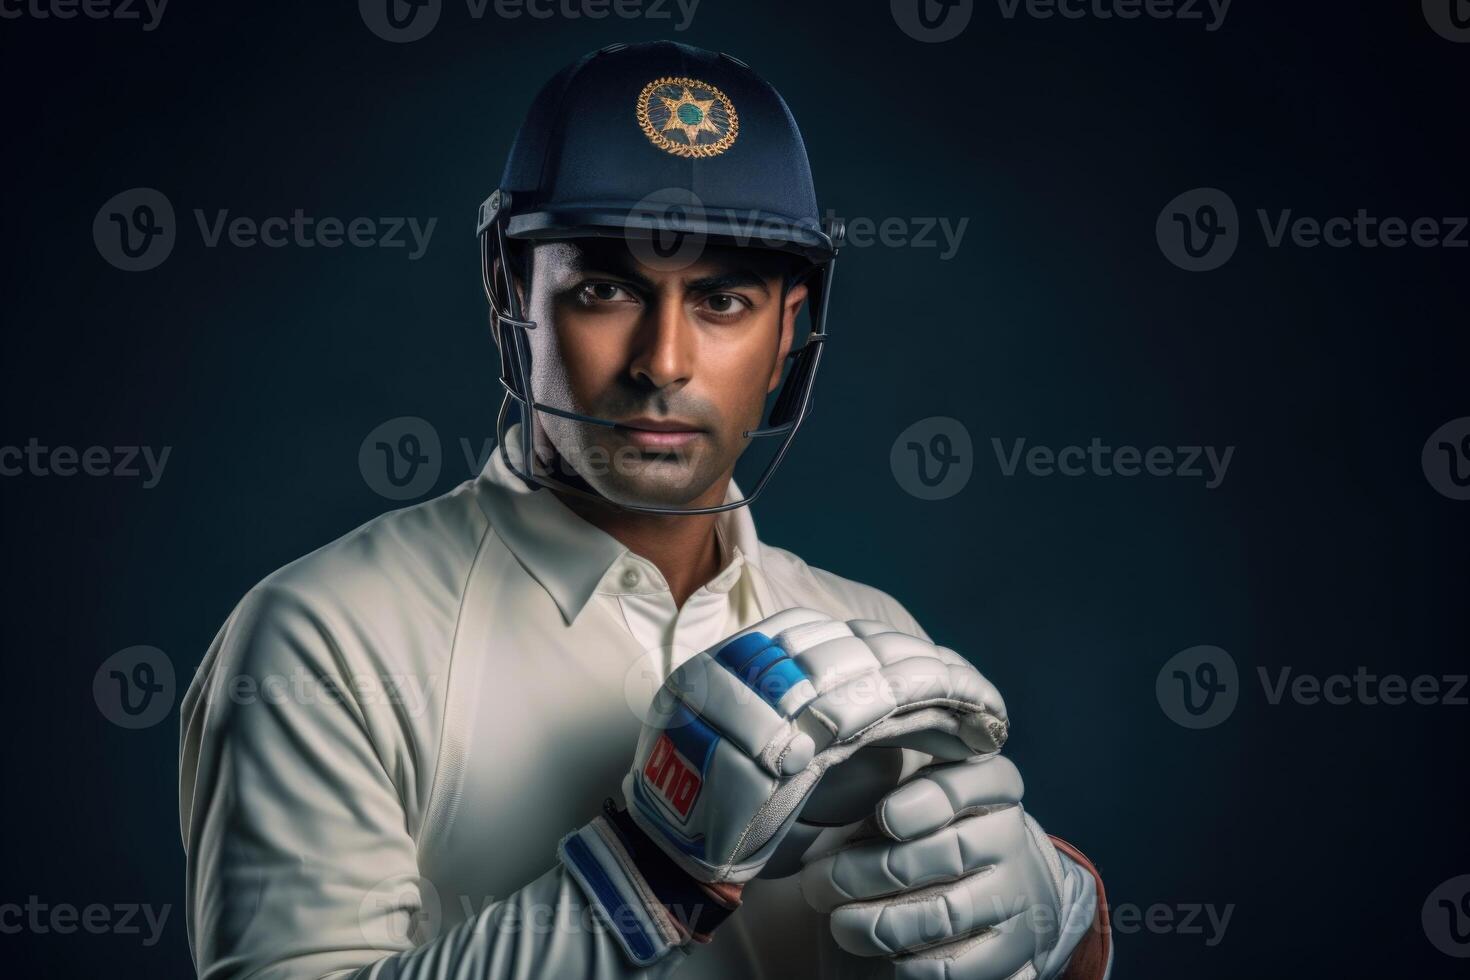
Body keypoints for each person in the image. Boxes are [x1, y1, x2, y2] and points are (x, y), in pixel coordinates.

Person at [178, 41, 1112, 979]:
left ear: (789, 329)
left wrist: (1064, 924)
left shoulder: (873, 635)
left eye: (724, 300)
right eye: (606, 289)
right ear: (513, 292)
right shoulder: (323, 638)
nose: (663, 362)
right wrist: (643, 876)